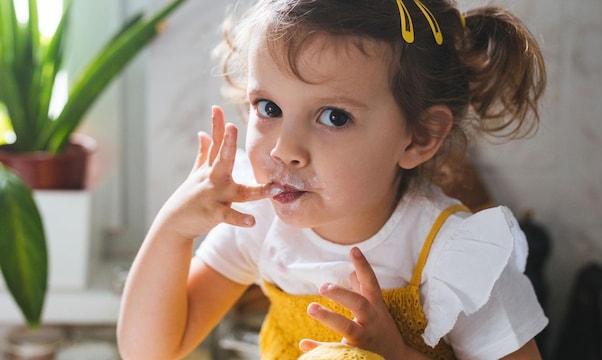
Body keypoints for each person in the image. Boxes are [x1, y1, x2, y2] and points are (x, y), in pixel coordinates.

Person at [117, 0, 548, 359]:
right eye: (268, 108)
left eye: (333, 116)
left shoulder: (455, 257)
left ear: (419, 136)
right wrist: (172, 229)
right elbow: (150, 351)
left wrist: (396, 354)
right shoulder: (258, 221)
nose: (284, 149)